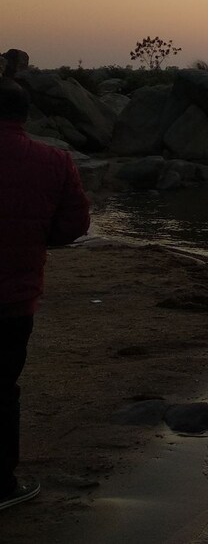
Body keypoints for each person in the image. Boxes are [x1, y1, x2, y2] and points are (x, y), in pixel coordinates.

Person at [0, 78, 90, 510]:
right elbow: (74, 227)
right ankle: (1, 486)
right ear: (26, 115)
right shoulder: (54, 161)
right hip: (13, 299)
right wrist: (36, 237)